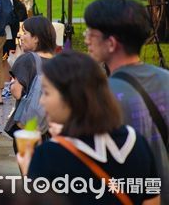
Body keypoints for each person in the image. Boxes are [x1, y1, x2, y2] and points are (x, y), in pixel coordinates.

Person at [17, 52, 160, 205]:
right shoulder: (138, 144)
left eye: (46, 92)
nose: (41, 101)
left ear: (71, 98)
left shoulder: (48, 156)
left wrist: (29, 173)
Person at [84, 0, 169, 203]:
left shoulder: (101, 96)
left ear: (111, 43)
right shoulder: (166, 78)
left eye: (91, 33)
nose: (86, 39)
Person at [4, 16, 56, 142]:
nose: (21, 37)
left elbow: (17, 92)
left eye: (25, 33)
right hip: (50, 128)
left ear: (36, 38)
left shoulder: (27, 59)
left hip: (28, 128)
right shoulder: (59, 61)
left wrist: (11, 85)